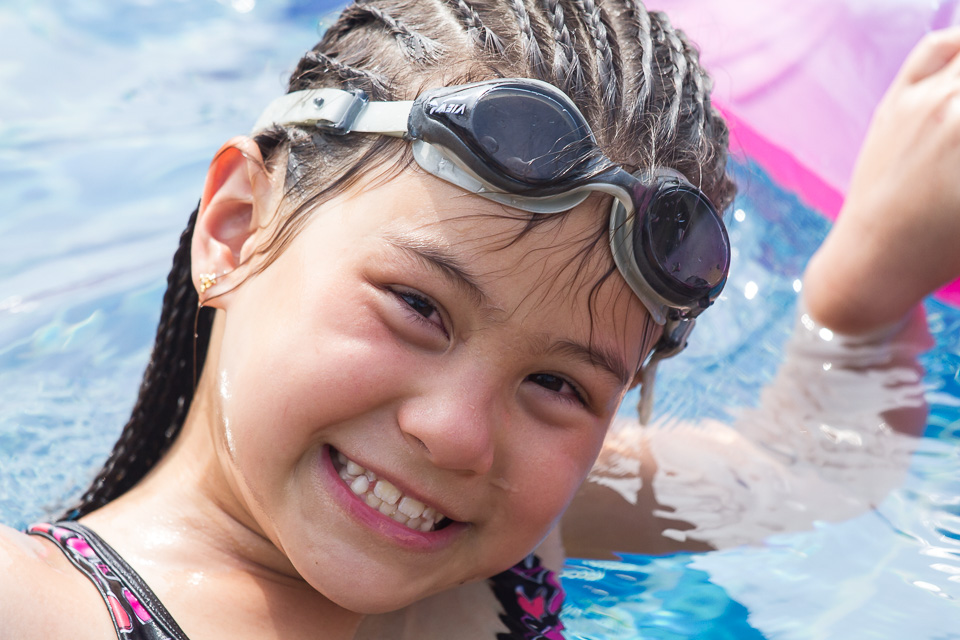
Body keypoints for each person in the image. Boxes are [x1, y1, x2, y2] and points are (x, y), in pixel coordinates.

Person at [0, 1, 957, 638]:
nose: (457, 434)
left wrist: (867, 285)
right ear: (238, 227)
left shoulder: (514, 545)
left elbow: (796, 473)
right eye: (418, 307)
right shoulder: (45, 611)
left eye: (558, 385)